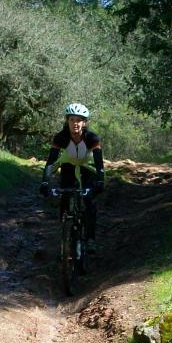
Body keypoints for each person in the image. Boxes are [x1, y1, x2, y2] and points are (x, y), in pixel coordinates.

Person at [39, 102, 105, 250]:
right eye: (72, 120)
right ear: (67, 121)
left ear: (84, 122)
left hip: (87, 169)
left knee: (89, 202)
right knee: (65, 196)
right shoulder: (60, 137)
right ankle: (65, 233)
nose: (75, 123)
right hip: (68, 167)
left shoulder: (92, 138)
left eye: (79, 120)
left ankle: (90, 239)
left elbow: (99, 162)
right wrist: (45, 182)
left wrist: (100, 181)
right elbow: (51, 161)